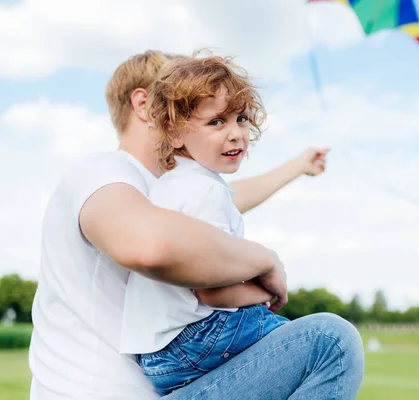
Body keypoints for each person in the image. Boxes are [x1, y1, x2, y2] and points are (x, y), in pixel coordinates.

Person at [29, 50, 364, 400]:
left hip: (168, 385)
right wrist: (266, 261)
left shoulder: (167, 186)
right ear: (145, 104)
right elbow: (153, 246)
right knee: (329, 342)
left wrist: (298, 165)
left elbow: (228, 201)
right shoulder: (102, 171)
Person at [121, 54, 291, 396]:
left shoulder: (171, 183)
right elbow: (213, 291)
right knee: (312, 343)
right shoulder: (205, 192)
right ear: (174, 131)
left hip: (155, 354)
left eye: (241, 119)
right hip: (193, 339)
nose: (236, 135)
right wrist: (267, 294)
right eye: (217, 122)